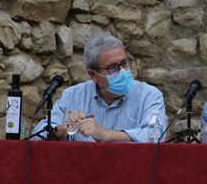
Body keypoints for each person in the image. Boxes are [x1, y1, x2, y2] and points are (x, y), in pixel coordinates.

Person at [32, 34, 167, 142]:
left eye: (124, 63)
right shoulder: (72, 95)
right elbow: (36, 137)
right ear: (93, 75)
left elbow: (155, 137)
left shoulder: (149, 95)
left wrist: (106, 135)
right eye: (112, 68)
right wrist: (64, 129)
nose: (122, 71)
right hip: (80, 173)